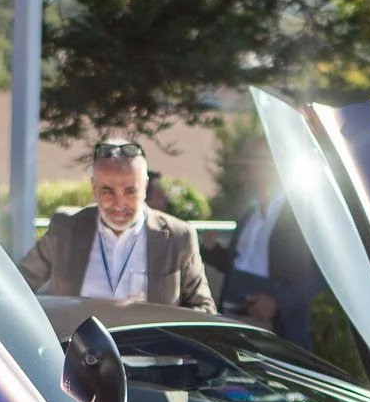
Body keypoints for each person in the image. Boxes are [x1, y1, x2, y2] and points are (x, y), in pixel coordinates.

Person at [18, 140, 214, 311]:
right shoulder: (66, 229)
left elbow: (204, 309)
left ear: (145, 187)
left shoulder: (178, 237)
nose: (119, 204)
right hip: (77, 353)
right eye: (108, 191)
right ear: (94, 188)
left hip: (150, 353)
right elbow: (15, 286)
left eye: (130, 191)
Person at [203, 173, 321, 350]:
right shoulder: (250, 213)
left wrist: (278, 302)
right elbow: (241, 263)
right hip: (233, 319)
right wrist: (212, 251)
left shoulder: (300, 213)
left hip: (278, 328)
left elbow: (319, 276)